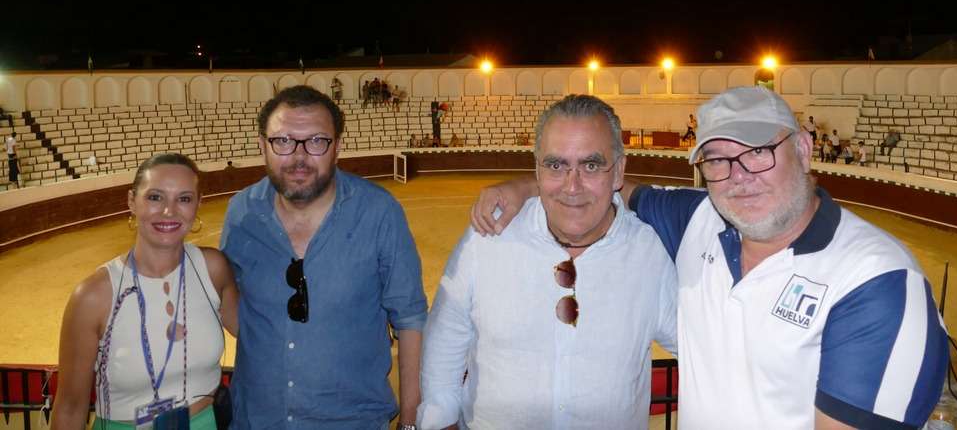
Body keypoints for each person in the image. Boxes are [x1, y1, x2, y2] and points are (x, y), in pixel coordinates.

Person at [471, 87, 949, 430]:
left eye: (758, 151)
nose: (739, 176)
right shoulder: (698, 218)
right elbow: (601, 185)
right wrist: (527, 186)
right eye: (718, 159)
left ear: (804, 150)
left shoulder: (877, 282)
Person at [419, 95, 677, 429]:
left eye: (591, 165)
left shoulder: (649, 252)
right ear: (537, 170)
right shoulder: (489, 237)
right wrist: (438, 420)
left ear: (618, 172)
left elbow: (700, 348)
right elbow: (445, 339)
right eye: (556, 165)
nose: (572, 186)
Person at [221, 85, 426, 429]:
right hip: (257, 419)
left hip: (352, 421)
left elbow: (410, 319)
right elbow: (233, 303)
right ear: (262, 146)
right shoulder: (241, 212)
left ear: (337, 147)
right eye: (283, 141)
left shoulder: (379, 211)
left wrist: (409, 422)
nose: (299, 157)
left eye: (316, 141)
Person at [51, 153, 239, 430]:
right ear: (132, 201)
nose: (169, 211)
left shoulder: (213, 268)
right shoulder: (93, 296)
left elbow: (257, 333)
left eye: (184, 199)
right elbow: (69, 409)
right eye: (155, 197)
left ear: (199, 204)